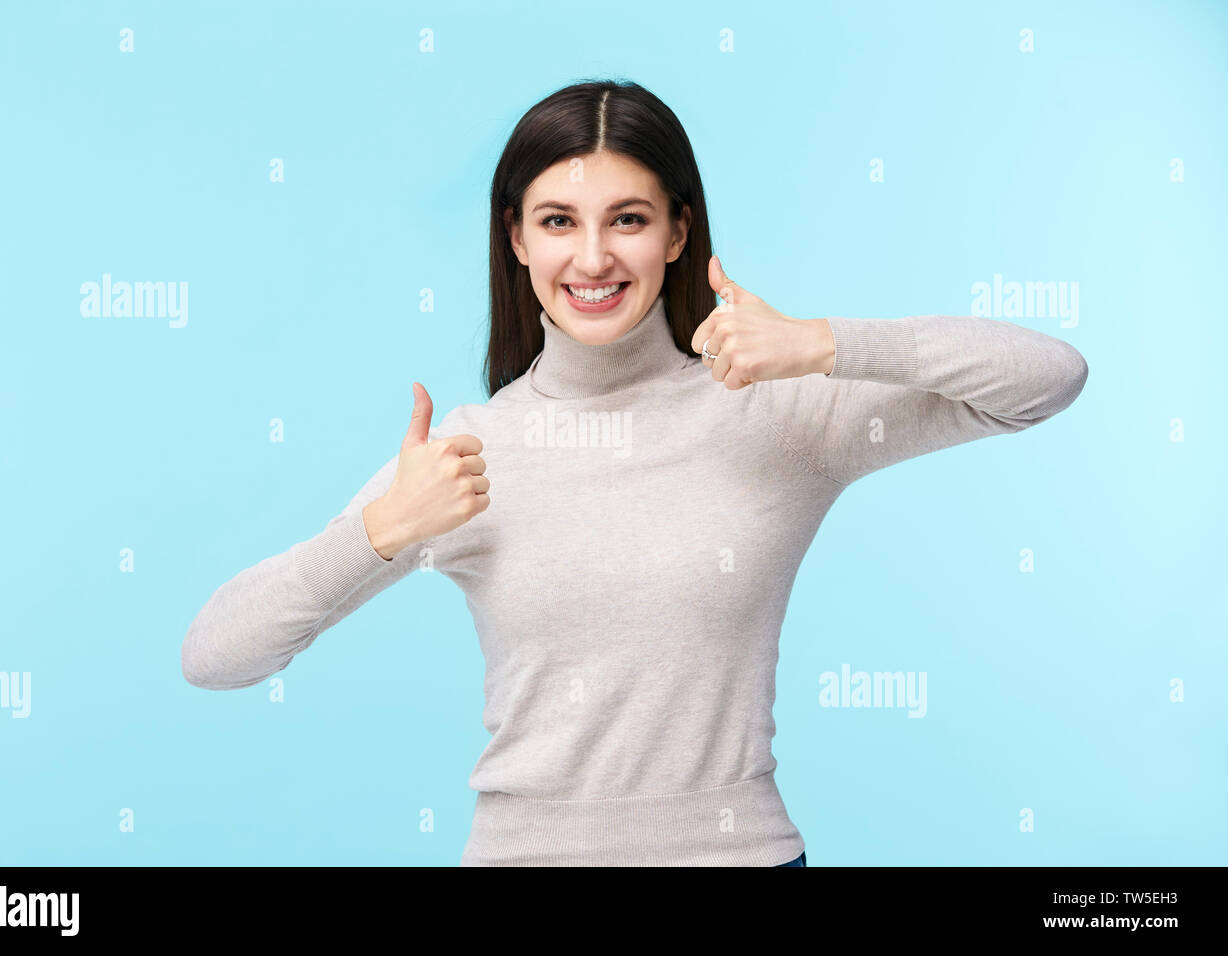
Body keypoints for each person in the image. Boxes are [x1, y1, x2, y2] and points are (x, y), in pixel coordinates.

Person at [181, 79, 1089, 867]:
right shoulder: (464, 453)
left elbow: (1048, 379)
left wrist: (823, 345)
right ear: (517, 241)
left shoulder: (778, 412)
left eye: (628, 220)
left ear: (677, 233)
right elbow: (215, 656)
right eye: (557, 222)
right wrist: (379, 533)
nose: (592, 258)